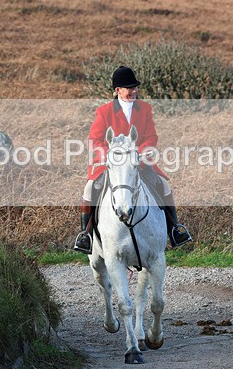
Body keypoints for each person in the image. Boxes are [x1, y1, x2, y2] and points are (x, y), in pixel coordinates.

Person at [73, 65, 192, 254]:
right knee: (90, 188)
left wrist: (142, 152)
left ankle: (174, 229)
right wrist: (110, 155)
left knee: (163, 184)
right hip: (110, 165)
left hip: (139, 163)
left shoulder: (145, 109)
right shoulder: (104, 112)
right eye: (129, 88)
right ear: (117, 90)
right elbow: (94, 140)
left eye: (135, 87)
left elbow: (151, 137)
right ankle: (85, 235)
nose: (134, 91)